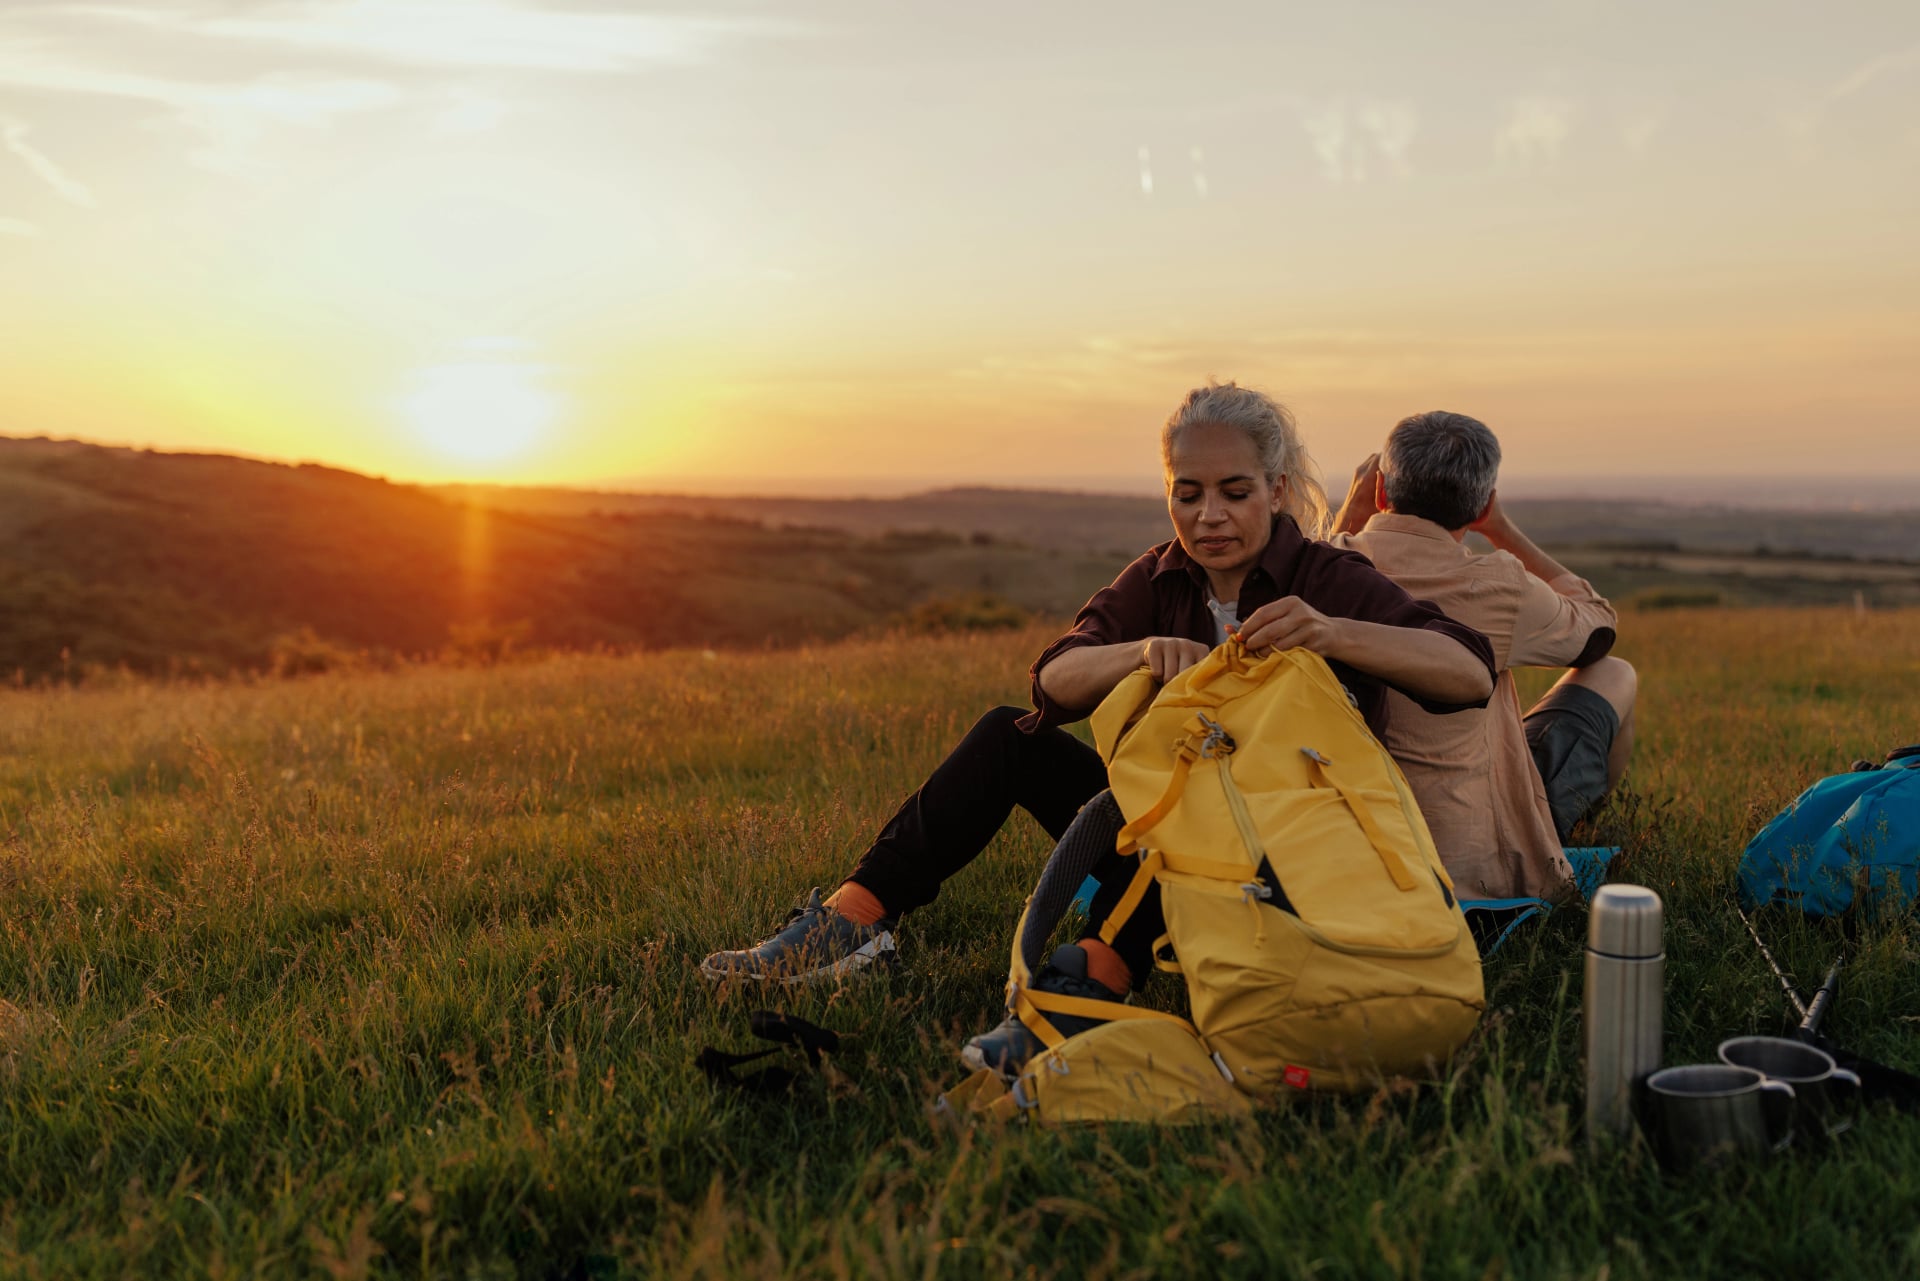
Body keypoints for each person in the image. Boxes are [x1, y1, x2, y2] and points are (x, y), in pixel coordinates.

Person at [700, 382, 1497, 986]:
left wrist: (1331, 632)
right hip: (1164, 826)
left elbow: (1467, 674)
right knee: (1006, 736)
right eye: (1188, 492)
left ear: (1277, 489)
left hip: (1287, 862)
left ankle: (1092, 977)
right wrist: (1140, 650)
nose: (1208, 514)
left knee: (1191, 824)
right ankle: (853, 923)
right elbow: (1055, 675)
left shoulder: (1329, 576)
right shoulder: (1162, 576)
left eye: (1234, 491)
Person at [1328, 410, 1636, 901]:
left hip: (1343, 839)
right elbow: (1597, 628)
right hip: (1468, 850)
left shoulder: (1322, 573)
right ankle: (1555, 839)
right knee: (1616, 674)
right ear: (1480, 506)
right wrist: (1503, 531)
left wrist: (1346, 518)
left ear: (1381, 492)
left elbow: (1312, 566)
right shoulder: (1497, 586)